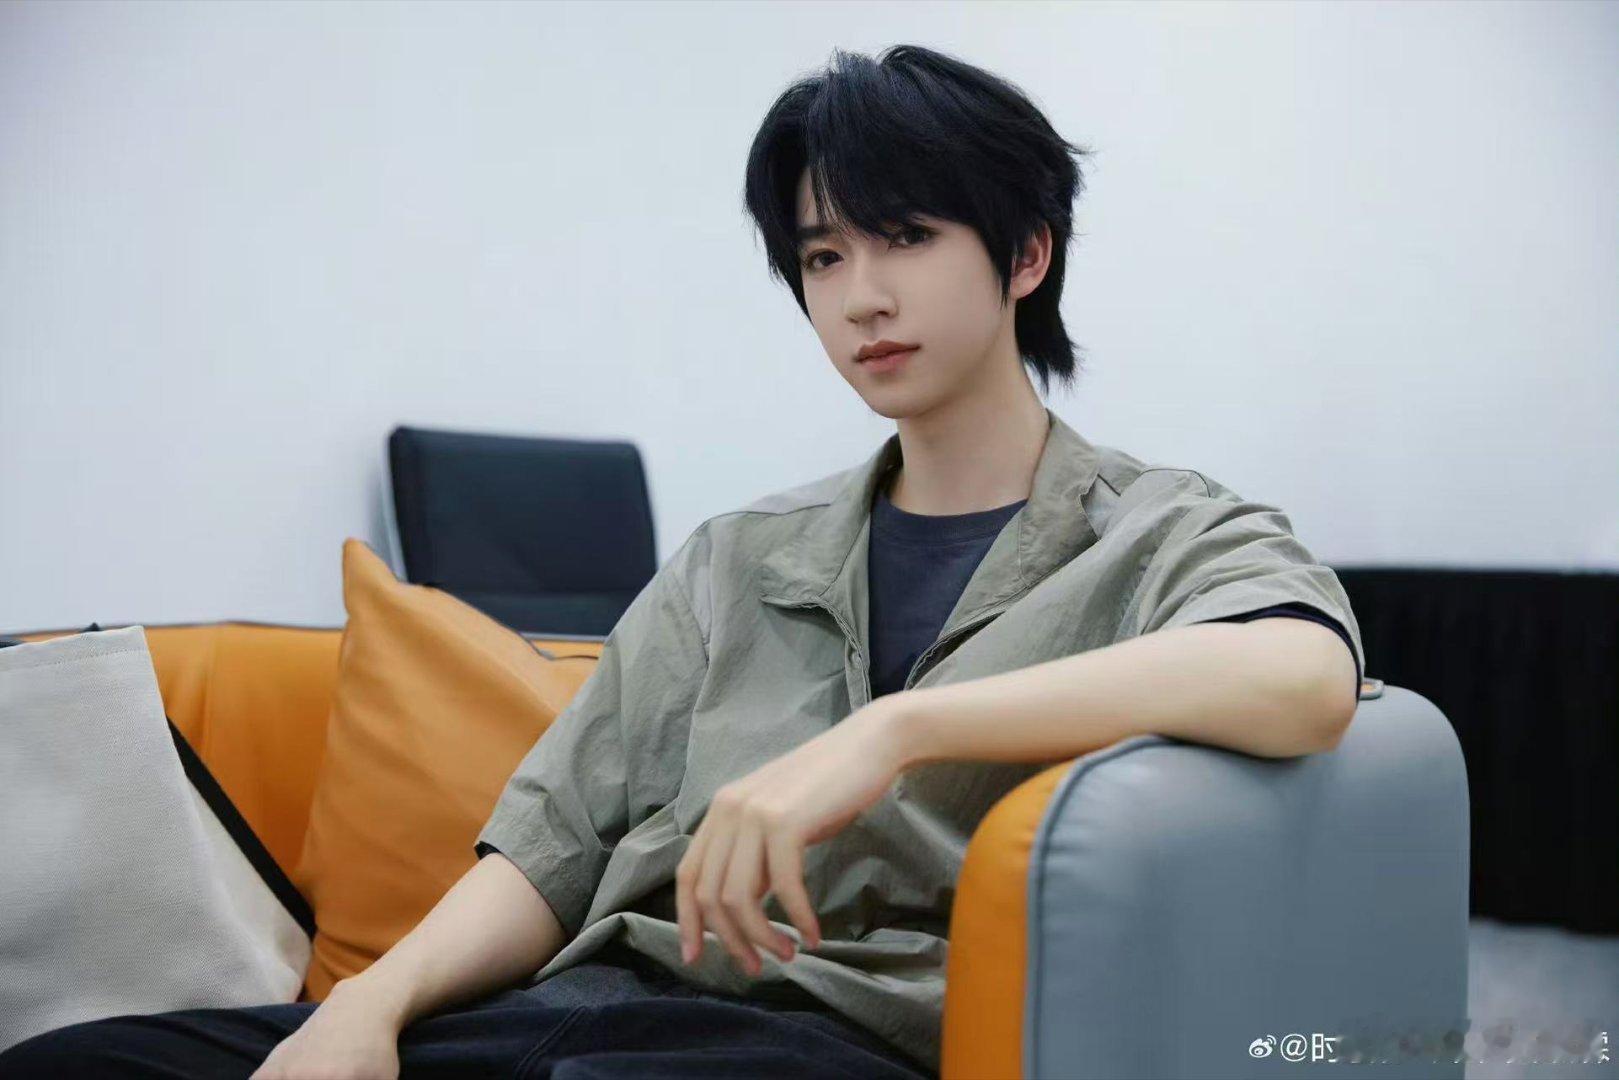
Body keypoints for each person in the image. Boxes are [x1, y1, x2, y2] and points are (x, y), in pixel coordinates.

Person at [0, 43, 1365, 1080]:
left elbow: (1304, 679)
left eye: (905, 238)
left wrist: (897, 729)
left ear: (1025, 254)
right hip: (585, 1001)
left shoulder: (1152, 531)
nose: (861, 297)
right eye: (822, 257)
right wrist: (369, 1005)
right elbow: (553, 849)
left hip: (837, 1040)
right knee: (79, 1063)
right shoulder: (735, 562)